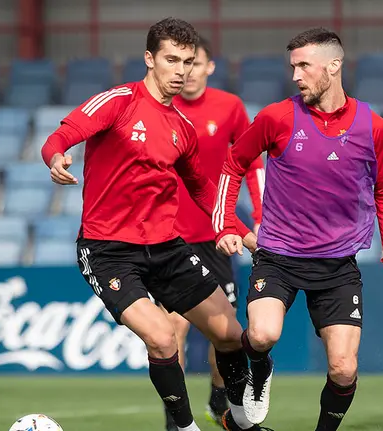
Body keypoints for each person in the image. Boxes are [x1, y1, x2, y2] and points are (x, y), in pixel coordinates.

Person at [40, 18, 271, 431]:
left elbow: (204, 192)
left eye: (187, 61)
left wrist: (233, 229)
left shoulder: (182, 128)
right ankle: (183, 428)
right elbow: (63, 135)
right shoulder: (117, 102)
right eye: (171, 60)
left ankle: (239, 421)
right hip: (108, 251)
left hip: (167, 248)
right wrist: (55, 158)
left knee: (233, 335)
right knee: (163, 337)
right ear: (149, 59)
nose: (180, 71)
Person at [213, 28, 383, 430]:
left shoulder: (374, 128)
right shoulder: (276, 117)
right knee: (262, 335)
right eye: (293, 67)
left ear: (334, 65)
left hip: (338, 268)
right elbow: (233, 165)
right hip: (278, 257)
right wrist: (225, 225)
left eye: (304, 66)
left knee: (342, 368)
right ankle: (260, 370)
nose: (296, 75)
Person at [158, 34, 266, 430]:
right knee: (173, 329)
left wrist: (258, 213)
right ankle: (175, 420)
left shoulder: (230, 107)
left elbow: (252, 162)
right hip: (170, 236)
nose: (187, 71)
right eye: (180, 63)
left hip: (218, 235)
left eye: (194, 62)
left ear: (209, 66)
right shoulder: (160, 109)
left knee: (225, 330)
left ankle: (219, 398)